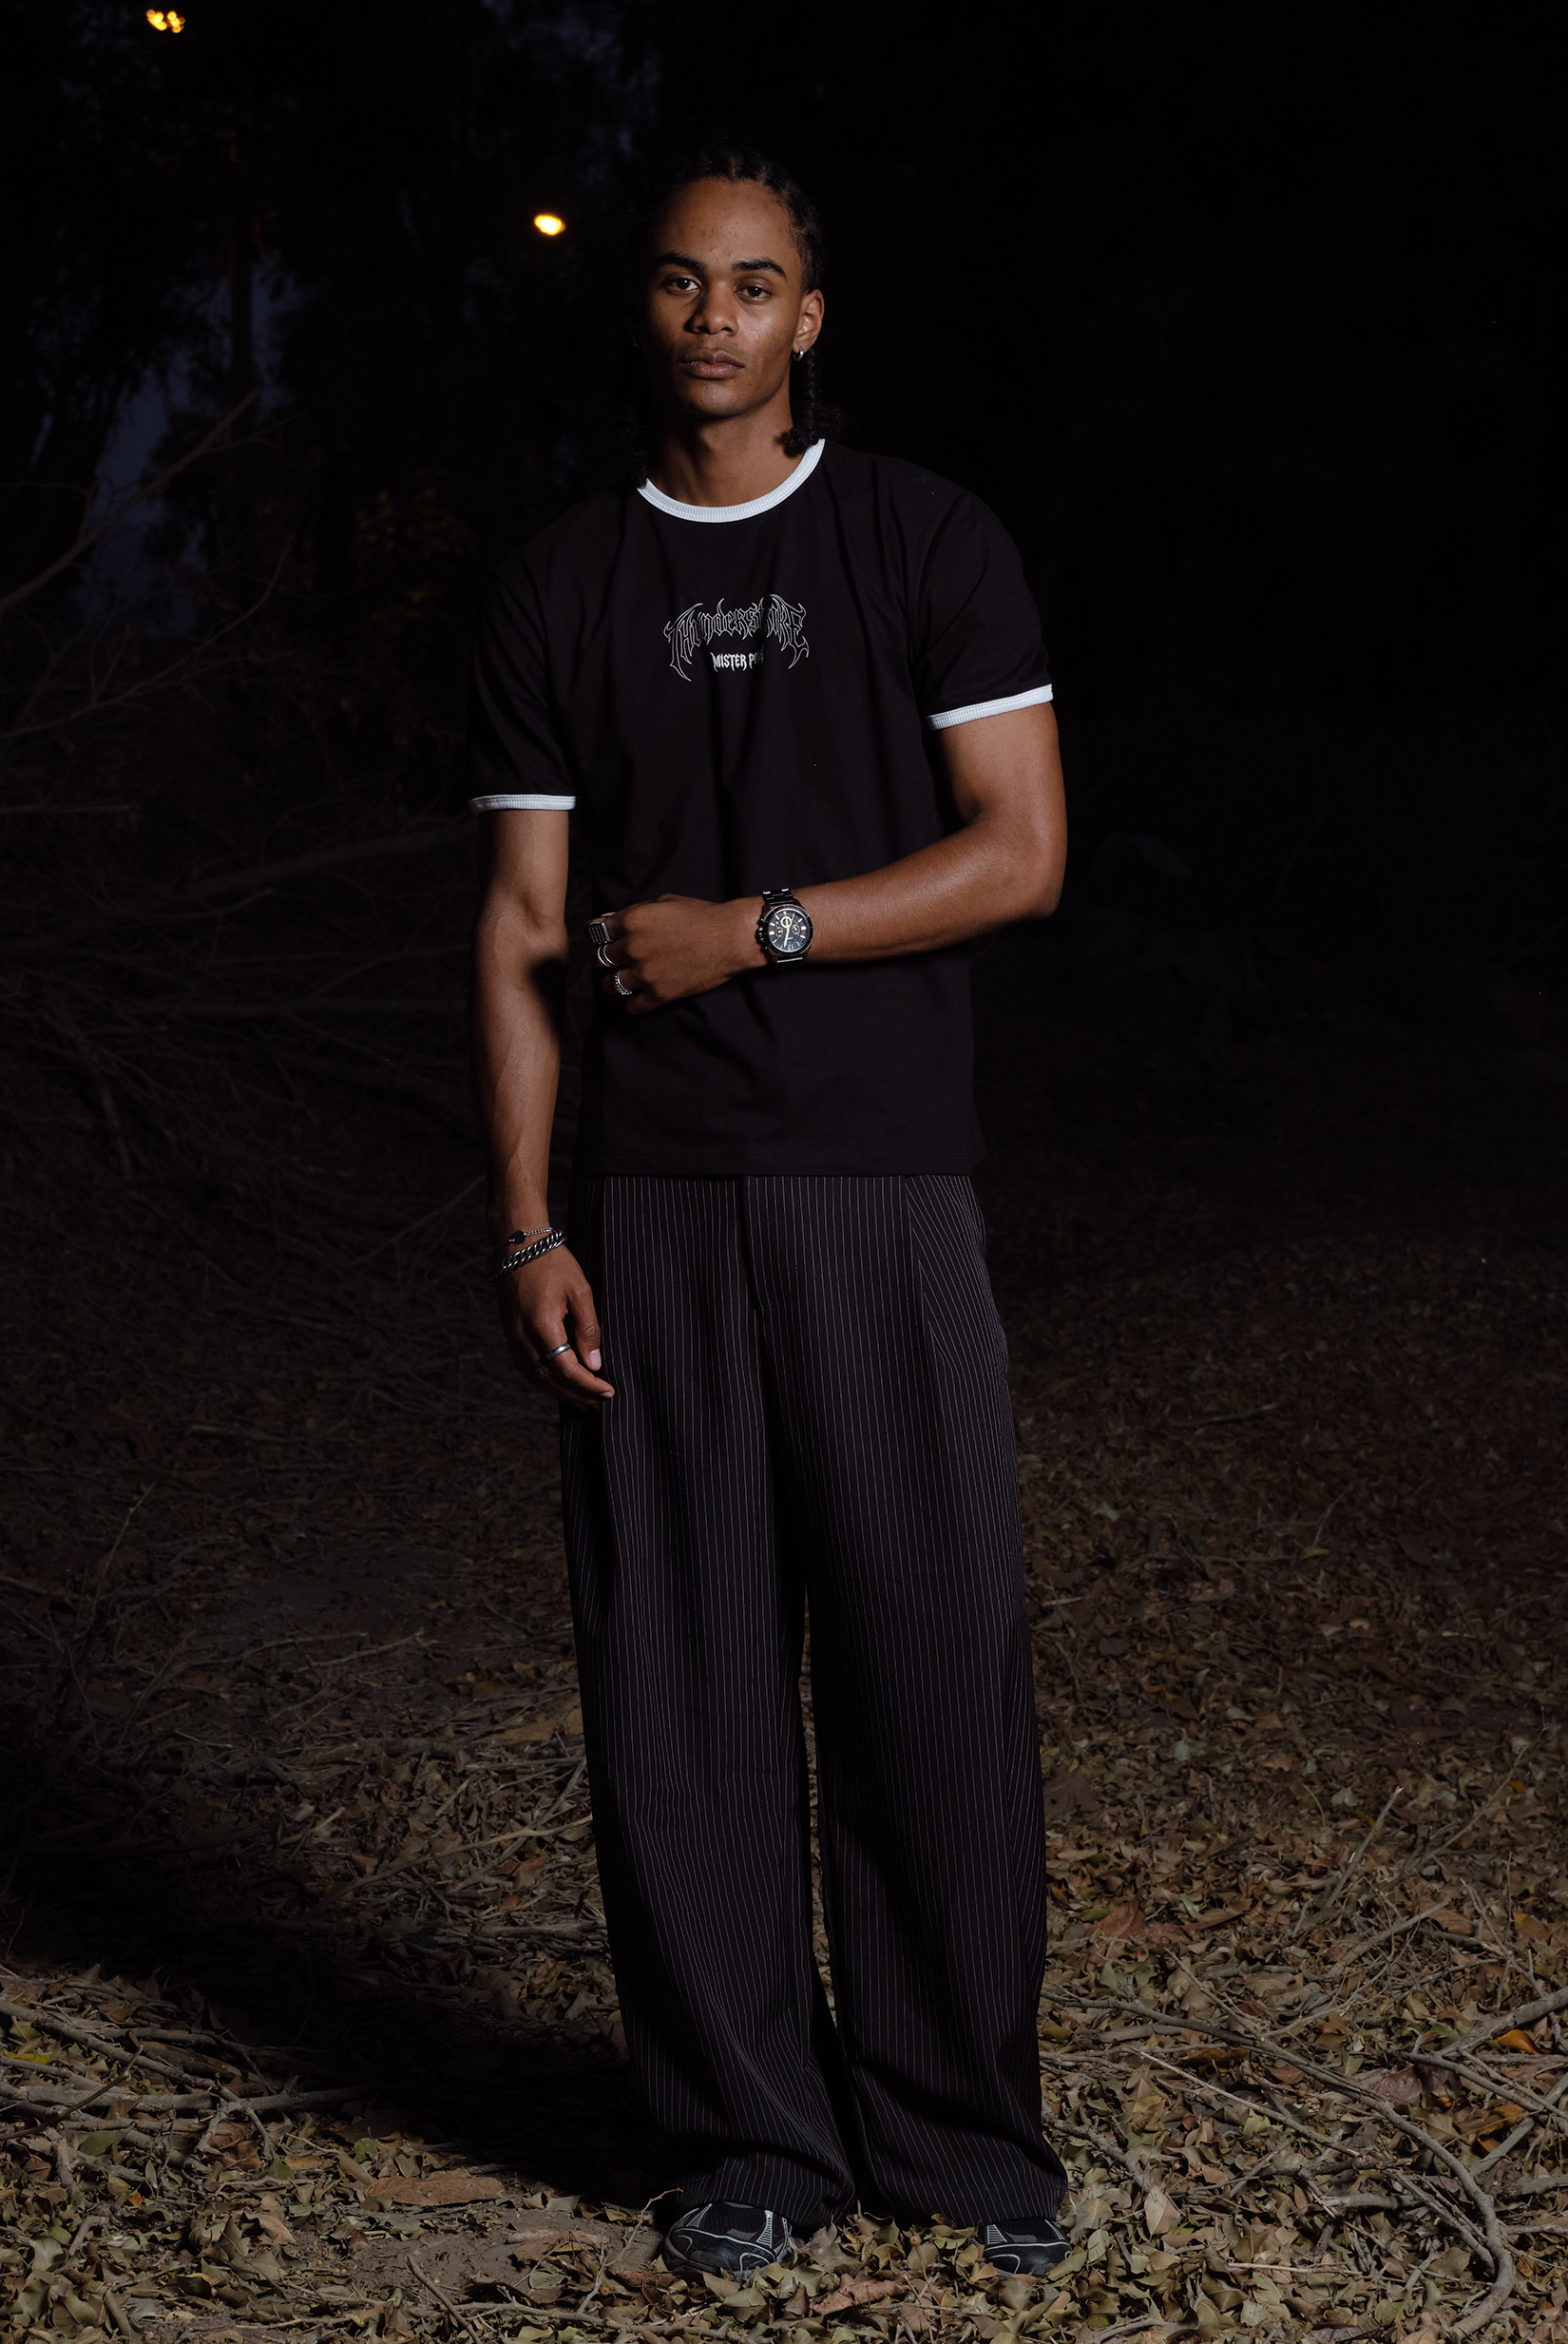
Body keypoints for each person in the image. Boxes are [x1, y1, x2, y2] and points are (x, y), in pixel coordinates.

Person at [468, 147, 1071, 2281]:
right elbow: (520, 922)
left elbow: (1022, 851)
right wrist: (529, 1223)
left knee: (930, 1652)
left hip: (881, 1185)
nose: (713, 316)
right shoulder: (561, 582)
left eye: (755, 283)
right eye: (678, 282)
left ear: (810, 315)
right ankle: (749, 2139)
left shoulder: (922, 537)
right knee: (681, 1681)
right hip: (651, 1203)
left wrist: (763, 929)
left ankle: (958, 2135)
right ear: (642, 311)